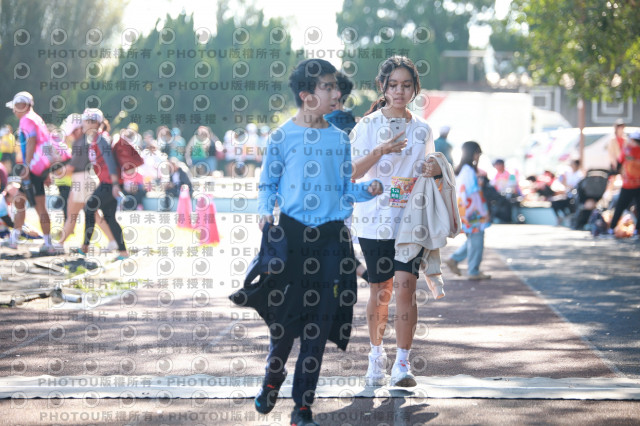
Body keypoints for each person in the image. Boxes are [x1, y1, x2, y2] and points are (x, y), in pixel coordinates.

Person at [254, 58, 382, 426]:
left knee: (319, 324)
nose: (336, 93)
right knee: (285, 321)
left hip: (330, 240)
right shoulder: (281, 136)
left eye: (336, 86)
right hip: (291, 236)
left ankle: (302, 407)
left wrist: (368, 190)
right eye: (328, 86)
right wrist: (264, 210)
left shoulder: (339, 139)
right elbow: (267, 184)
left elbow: (345, 190)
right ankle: (273, 377)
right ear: (306, 94)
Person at [350, 55, 443, 388]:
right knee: (382, 291)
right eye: (393, 85)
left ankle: (402, 364)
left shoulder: (423, 129)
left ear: (415, 88)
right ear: (382, 87)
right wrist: (380, 151)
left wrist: (435, 170)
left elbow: (433, 175)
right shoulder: (366, 127)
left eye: (406, 85)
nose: (400, 91)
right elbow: (351, 173)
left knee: (406, 288)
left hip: (411, 222)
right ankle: (376, 355)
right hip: (375, 221)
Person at [3, 92, 56, 252]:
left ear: (23, 105)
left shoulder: (27, 119)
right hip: (39, 168)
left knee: (32, 204)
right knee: (23, 202)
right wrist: (46, 171)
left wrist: (26, 166)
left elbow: (32, 141)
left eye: (15, 106)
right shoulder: (37, 119)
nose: (14, 110)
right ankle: (17, 239)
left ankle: (45, 243)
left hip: (32, 169)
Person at [55, 114, 116, 251]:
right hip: (86, 179)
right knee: (92, 213)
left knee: (73, 214)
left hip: (81, 180)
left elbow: (71, 168)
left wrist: (54, 172)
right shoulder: (86, 141)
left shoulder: (81, 143)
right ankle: (112, 240)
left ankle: (60, 243)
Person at [77, 108, 128, 259]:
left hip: (110, 184)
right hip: (107, 183)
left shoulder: (101, 139)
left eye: (85, 121)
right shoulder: (94, 139)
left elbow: (110, 162)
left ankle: (85, 247)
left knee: (89, 208)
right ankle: (123, 252)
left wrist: (115, 185)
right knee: (110, 217)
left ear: (93, 123)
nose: (82, 124)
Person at [444, 141, 491, 280]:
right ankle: (473, 270)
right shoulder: (469, 171)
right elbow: (474, 195)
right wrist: (484, 212)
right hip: (473, 211)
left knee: (473, 238)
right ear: (473, 153)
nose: (479, 156)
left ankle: (454, 259)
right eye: (478, 153)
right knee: (477, 239)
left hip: (464, 210)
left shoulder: (461, 170)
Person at [609, 131, 640, 231]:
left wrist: (616, 172)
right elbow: (619, 163)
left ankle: (612, 228)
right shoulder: (627, 150)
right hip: (630, 184)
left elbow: (619, 163)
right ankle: (636, 230)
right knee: (621, 206)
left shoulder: (627, 150)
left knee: (620, 206)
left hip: (631, 184)